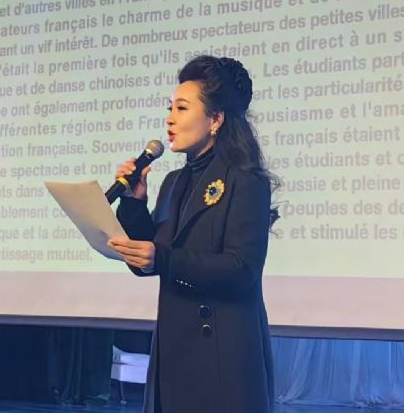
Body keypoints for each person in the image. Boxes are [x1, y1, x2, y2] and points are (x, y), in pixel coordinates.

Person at [108, 55, 277, 413]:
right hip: (174, 348)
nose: (170, 119)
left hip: (222, 356)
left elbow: (241, 269)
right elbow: (152, 259)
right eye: (170, 108)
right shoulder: (174, 181)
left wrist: (163, 259)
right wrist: (134, 205)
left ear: (215, 119)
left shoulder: (246, 181)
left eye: (182, 108)